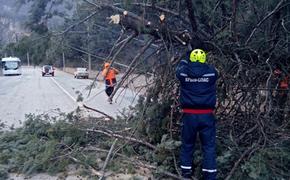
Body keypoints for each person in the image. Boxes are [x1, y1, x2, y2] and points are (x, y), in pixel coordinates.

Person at [176, 49, 218, 179]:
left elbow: (179, 68)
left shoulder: (183, 72)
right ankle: (209, 176)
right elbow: (216, 71)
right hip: (207, 116)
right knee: (209, 146)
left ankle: (186, 173)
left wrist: (186, 58)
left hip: (189, 116)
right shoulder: (211, 73)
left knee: (187, 144)